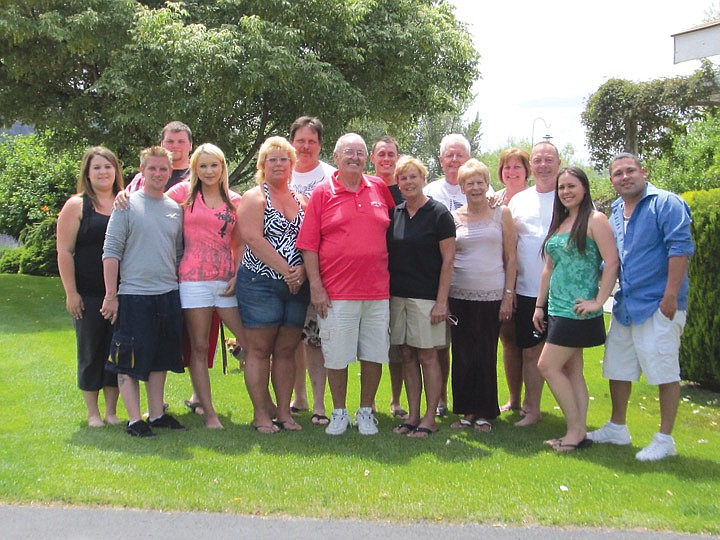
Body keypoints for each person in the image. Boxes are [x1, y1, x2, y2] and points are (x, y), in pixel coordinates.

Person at [587, 153, 694, 461]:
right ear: (611, 181)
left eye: (630, 170)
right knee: (618, 367)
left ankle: (664, 439)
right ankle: (617, 427)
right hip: (626, 305)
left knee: (663, 370)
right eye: (618, 173)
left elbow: (680, 249)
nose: (625, 176)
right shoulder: (618, 210)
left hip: (660, 304)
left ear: (643, 172)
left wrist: (670, 296)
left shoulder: (666, 203)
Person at [297, 133, 395, 436]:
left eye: (360, 153)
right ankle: (339, 412)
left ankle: (366, 411)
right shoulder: (322, 193)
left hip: (377, 291)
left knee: (374, 353)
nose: (355, 158)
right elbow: (309, 244)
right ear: (336, 158)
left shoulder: (378, 187)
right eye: (348, 153)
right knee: (337, 355)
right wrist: (316, 286)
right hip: (337, 292)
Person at [101, 146, 186, 438]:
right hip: (134, 295)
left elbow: (176, 253)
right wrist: (111, 295)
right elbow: (111, 252)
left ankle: (157, 414)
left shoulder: (175, 209)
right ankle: (135, 419)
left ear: (170, 171)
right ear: (142, 170)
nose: (158, 174)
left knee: (160, 357)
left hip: (167, 293)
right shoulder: (125, 206)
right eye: (152, 168)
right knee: (130, 359)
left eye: (164, 169)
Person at [532, 167, 619, 452]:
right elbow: (549, 268)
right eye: (561, 188)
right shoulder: (561, 222)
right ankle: (579, 430)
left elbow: (612, 263)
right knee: (572, 369)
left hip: (578, 310)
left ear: (584, 188)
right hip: (557, 308)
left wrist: (598, 301)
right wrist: (539, 305)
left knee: (547, 365)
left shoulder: (596, 220)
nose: (566, 192)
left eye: (571, 186)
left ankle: (574, 431)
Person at [164, 143, 245, 429]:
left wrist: (237, 274)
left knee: (251, 342)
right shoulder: (181, 195)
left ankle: (265, 406)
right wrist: (125, 196)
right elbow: (150, 201)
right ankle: (209, 412)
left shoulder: (236, 200)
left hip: (225, 281)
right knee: (198, 347)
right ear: (195, 168)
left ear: (223, 167)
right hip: (192, 281)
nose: (209, 171)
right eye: (203, 165)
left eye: (215, 165)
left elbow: (239, 243)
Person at [236, 136, 310, 434]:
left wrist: (302, 270)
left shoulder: (302, 200)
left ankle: (284, 413)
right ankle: (260, 415)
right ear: (262, 165)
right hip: (260, 283)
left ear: (292, 165)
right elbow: (253, 239)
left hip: (296, 286)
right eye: (272, 159)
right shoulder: (253, 198)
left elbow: (309, 242)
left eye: (284, 159)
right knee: (259, 350)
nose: (279, 164)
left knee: (287, 349)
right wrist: (287, 271)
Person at [388, 156, 455, 438]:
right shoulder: (397, 213)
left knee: (428, 356)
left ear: (423, 179)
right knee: (406, 354)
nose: (408, 182)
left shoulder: (439, 214)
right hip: (398, 297)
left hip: (427, 299)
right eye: (403, 178)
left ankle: (430, 417)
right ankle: (413, 415)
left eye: (413, 176)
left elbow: (449, 260)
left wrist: (442, 302)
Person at [57, 146, 124, 427]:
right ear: (87, 172)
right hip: (88, 292)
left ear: (116, 171)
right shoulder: (77, 205)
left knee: (116, 352)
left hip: (121, 293)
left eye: (108, 167)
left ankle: (111, 411)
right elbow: (64, 251)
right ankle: (93, 413)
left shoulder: (125, 203)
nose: (103, 172)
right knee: (90, 350)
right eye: (96, 167)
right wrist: (71, 293)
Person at [448, 159, 516, 433]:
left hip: (492, 294)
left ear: (488, 184)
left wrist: (508, 295)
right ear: (461, 187)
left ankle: (486, 412)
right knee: (462, 353)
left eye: (480, 182)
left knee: (485, 352)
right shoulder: (454, 217)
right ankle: (465, 411)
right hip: (459, 293)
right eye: (469, 183)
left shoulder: (502, 214)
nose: (475, 187)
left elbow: (511, 258)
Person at [507, 141, 561, 426]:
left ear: (559, 163)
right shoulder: (519, 200)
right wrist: (511, 288)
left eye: (548, 159)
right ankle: (532, 408)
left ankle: (574, 413)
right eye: (538, 159)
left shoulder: (568, 195)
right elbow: (511, 247)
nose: (543, 164)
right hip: (527, 289)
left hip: (562, 291)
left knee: (569, 357)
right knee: (529, 351)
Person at [287, 116, 335, 425]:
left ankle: (319, 403)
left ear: (320, 144)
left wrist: (310, 268)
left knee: (317, 338)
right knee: (292, 336)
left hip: (321, 269)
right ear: (292, 142)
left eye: (312, 141)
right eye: (301, 141)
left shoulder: (330, 177)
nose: (305, 147)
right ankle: (298, 395)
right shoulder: (278, 170)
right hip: (284, 269)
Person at [370, 135, 407, 419]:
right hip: (371, 276)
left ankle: (395, 400)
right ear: (373, 158)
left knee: (398, 344)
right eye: (381, 154)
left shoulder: (407, 190)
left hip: (402, 275)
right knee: (371, 343)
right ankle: (368, 401)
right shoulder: (367, 188)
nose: (386, 159)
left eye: (390, 154)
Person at [495, 148, 531, 414]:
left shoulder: (537, 198)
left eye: (517, 167)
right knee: (508, 340)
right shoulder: (494, 200)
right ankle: (514, 398)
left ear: (526, 171)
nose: (511, 172)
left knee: (531, 344)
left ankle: (532, 400)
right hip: (501, 280)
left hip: (531, 281)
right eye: (507, 167)